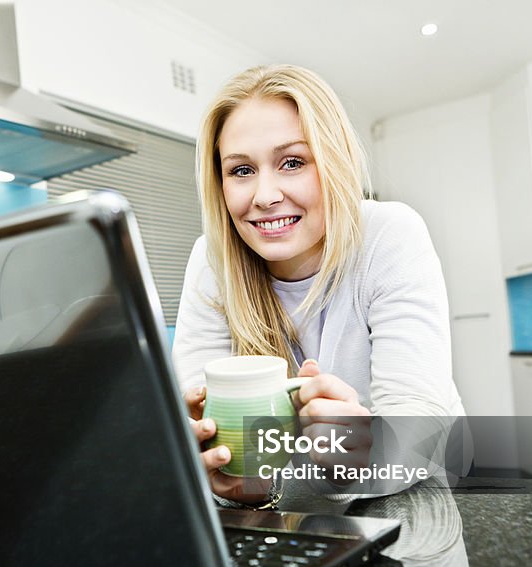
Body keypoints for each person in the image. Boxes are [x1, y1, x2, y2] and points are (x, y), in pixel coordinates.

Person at [172, 64, 465, 508]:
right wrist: (231, 478)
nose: (264, 196)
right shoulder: (212, 261)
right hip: (295, 523)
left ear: (334, 164)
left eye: (292, 162)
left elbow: (420, 431)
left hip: (415, 513)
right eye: (241, 170)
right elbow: (209, 445)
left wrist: (356, 456)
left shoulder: (389, 235)